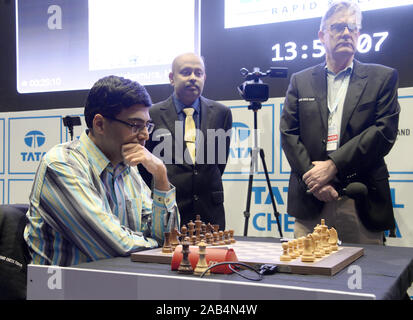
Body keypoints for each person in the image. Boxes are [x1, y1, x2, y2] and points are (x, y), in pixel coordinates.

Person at [24, 75, 179, 266]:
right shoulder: (62, 165)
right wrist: (159, 246)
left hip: (117, 284)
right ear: (99, 124)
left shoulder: (128, 168)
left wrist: (161, 176)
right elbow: (115, 247)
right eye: (135, 125)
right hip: (65, 290)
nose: (145, 135)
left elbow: (169, 239)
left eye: (147, 125)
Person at [280, 1, 400, 244]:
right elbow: (289, 134)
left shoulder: (383, 78)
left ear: (358, 34)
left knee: (365, 278)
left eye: (352, 28)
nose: (346, 33)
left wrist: (333, 166)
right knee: (308, 277)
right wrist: (315, 179)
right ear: (322, 35)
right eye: (337, 27)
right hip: (311, 199)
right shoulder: (300, 81)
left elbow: (383, 132)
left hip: (360, 200)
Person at [142, 53, 232, 230]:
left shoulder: (222, 113)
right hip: (169, 210)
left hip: (210, 212)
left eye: (198, 73)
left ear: (204, 77)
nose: (193, 78)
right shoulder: (152, 114)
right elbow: (144, 167)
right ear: (171, 78)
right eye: (185, 72)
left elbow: (219, 163)